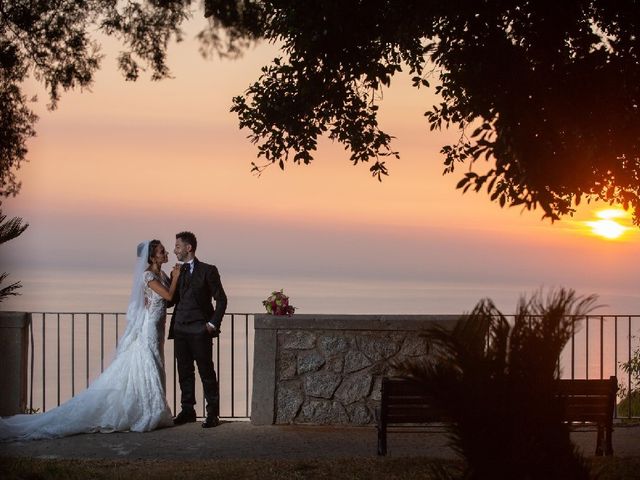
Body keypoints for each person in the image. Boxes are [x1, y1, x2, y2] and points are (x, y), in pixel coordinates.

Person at [0, 240, 180, 441]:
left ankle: (152, 408)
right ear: (153, 257)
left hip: (158, 326)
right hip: (149, 327)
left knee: (156, 364)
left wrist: (171, 278)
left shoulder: (161, 275)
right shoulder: (148, 275)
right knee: (150, 364)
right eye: (162, 251)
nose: (166, 254)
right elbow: (169, 294)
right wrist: (176, 277)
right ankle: (151, 411)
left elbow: (169, 301)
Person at [170, 231, 227, 428]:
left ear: (189, 248)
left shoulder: (208, 270)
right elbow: (171, 301)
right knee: (184, 371)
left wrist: (212, 324)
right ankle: (188, 411)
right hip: (179, 329)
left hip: (200, 330)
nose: (174, 250)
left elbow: (221, 299)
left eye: (177, 246)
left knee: (206, 372)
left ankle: (212, 414)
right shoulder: (177, 271)